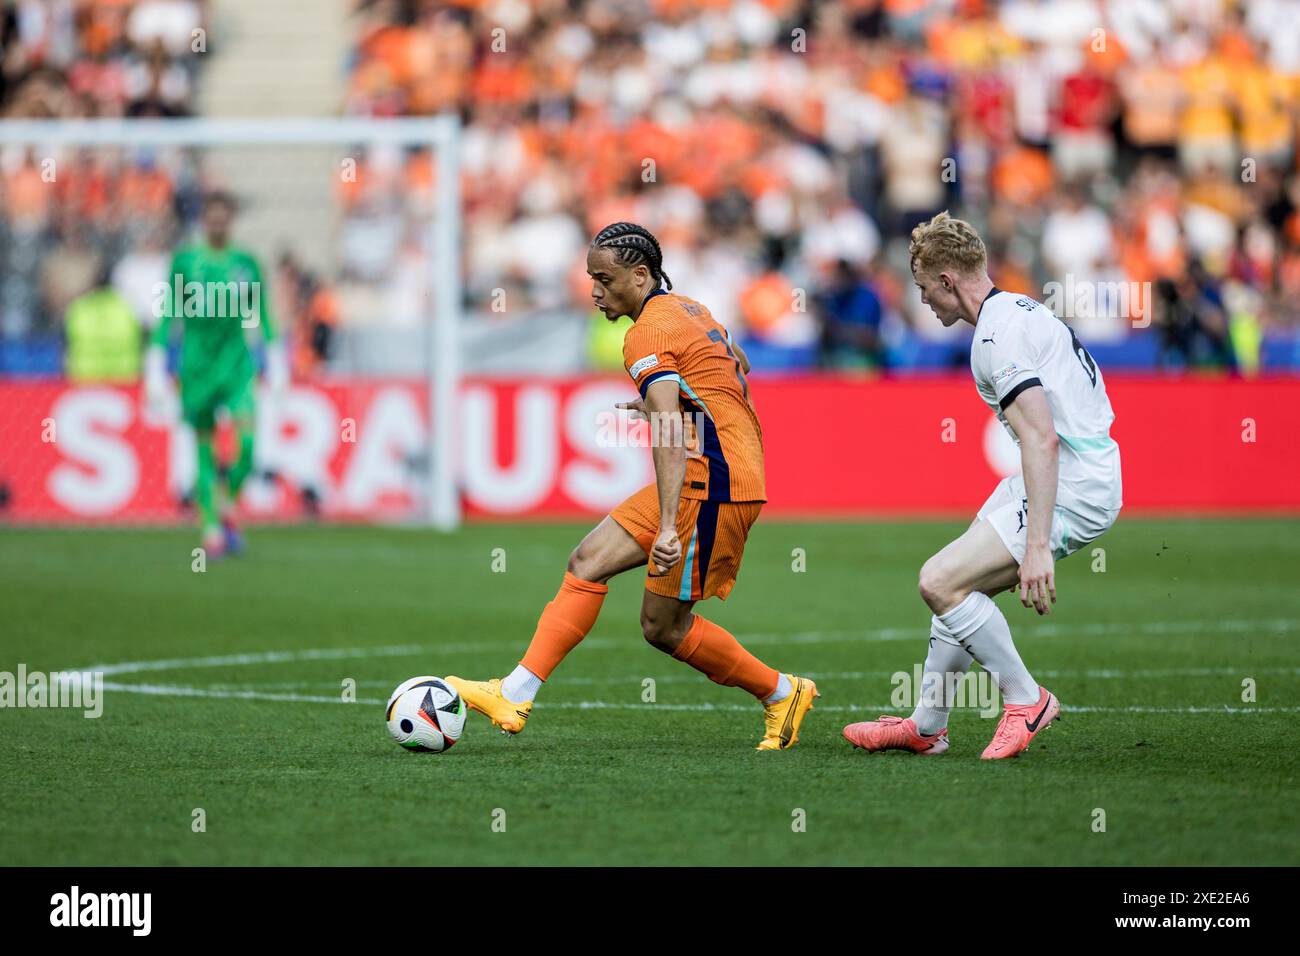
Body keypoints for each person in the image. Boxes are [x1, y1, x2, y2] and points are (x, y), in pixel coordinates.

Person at [449, 222, 818, 751]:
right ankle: (514, 692)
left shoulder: (645, 333)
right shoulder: (692, 309)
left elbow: (667, 429)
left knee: (662, 628)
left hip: (714, 482)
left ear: (640, 276)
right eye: (590, 279)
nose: (595, 292)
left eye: (605, 279)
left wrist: (669, 523)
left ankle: (782, 693)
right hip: (712, 468)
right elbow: (738, 365)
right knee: (587, 561)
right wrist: (685, 404)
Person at [844, 212, 1122, 759]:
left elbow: (1040, 438)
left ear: (947, 281)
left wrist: (1037, 546)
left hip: (1074, 483)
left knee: (938, 582)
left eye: (924, 288)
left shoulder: (997, 334)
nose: (922, 301)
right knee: (958, 587)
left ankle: (1027, 700)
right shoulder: (1016, 310)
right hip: (1064, 472)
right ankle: (927, 725)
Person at [144, 190, 286, 557]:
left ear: (231, 220)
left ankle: (227, 502)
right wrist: (157, 366)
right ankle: (210, 528)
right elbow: (168, 318)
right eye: (212, 217)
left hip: (238, 366)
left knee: (250, 446)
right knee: (203, 451)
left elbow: (262, 316)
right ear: (204, 220)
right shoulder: (185, 262)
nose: (218, 223)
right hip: (197, 369)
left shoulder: (246, 263)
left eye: (224, 217)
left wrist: (276, 358)